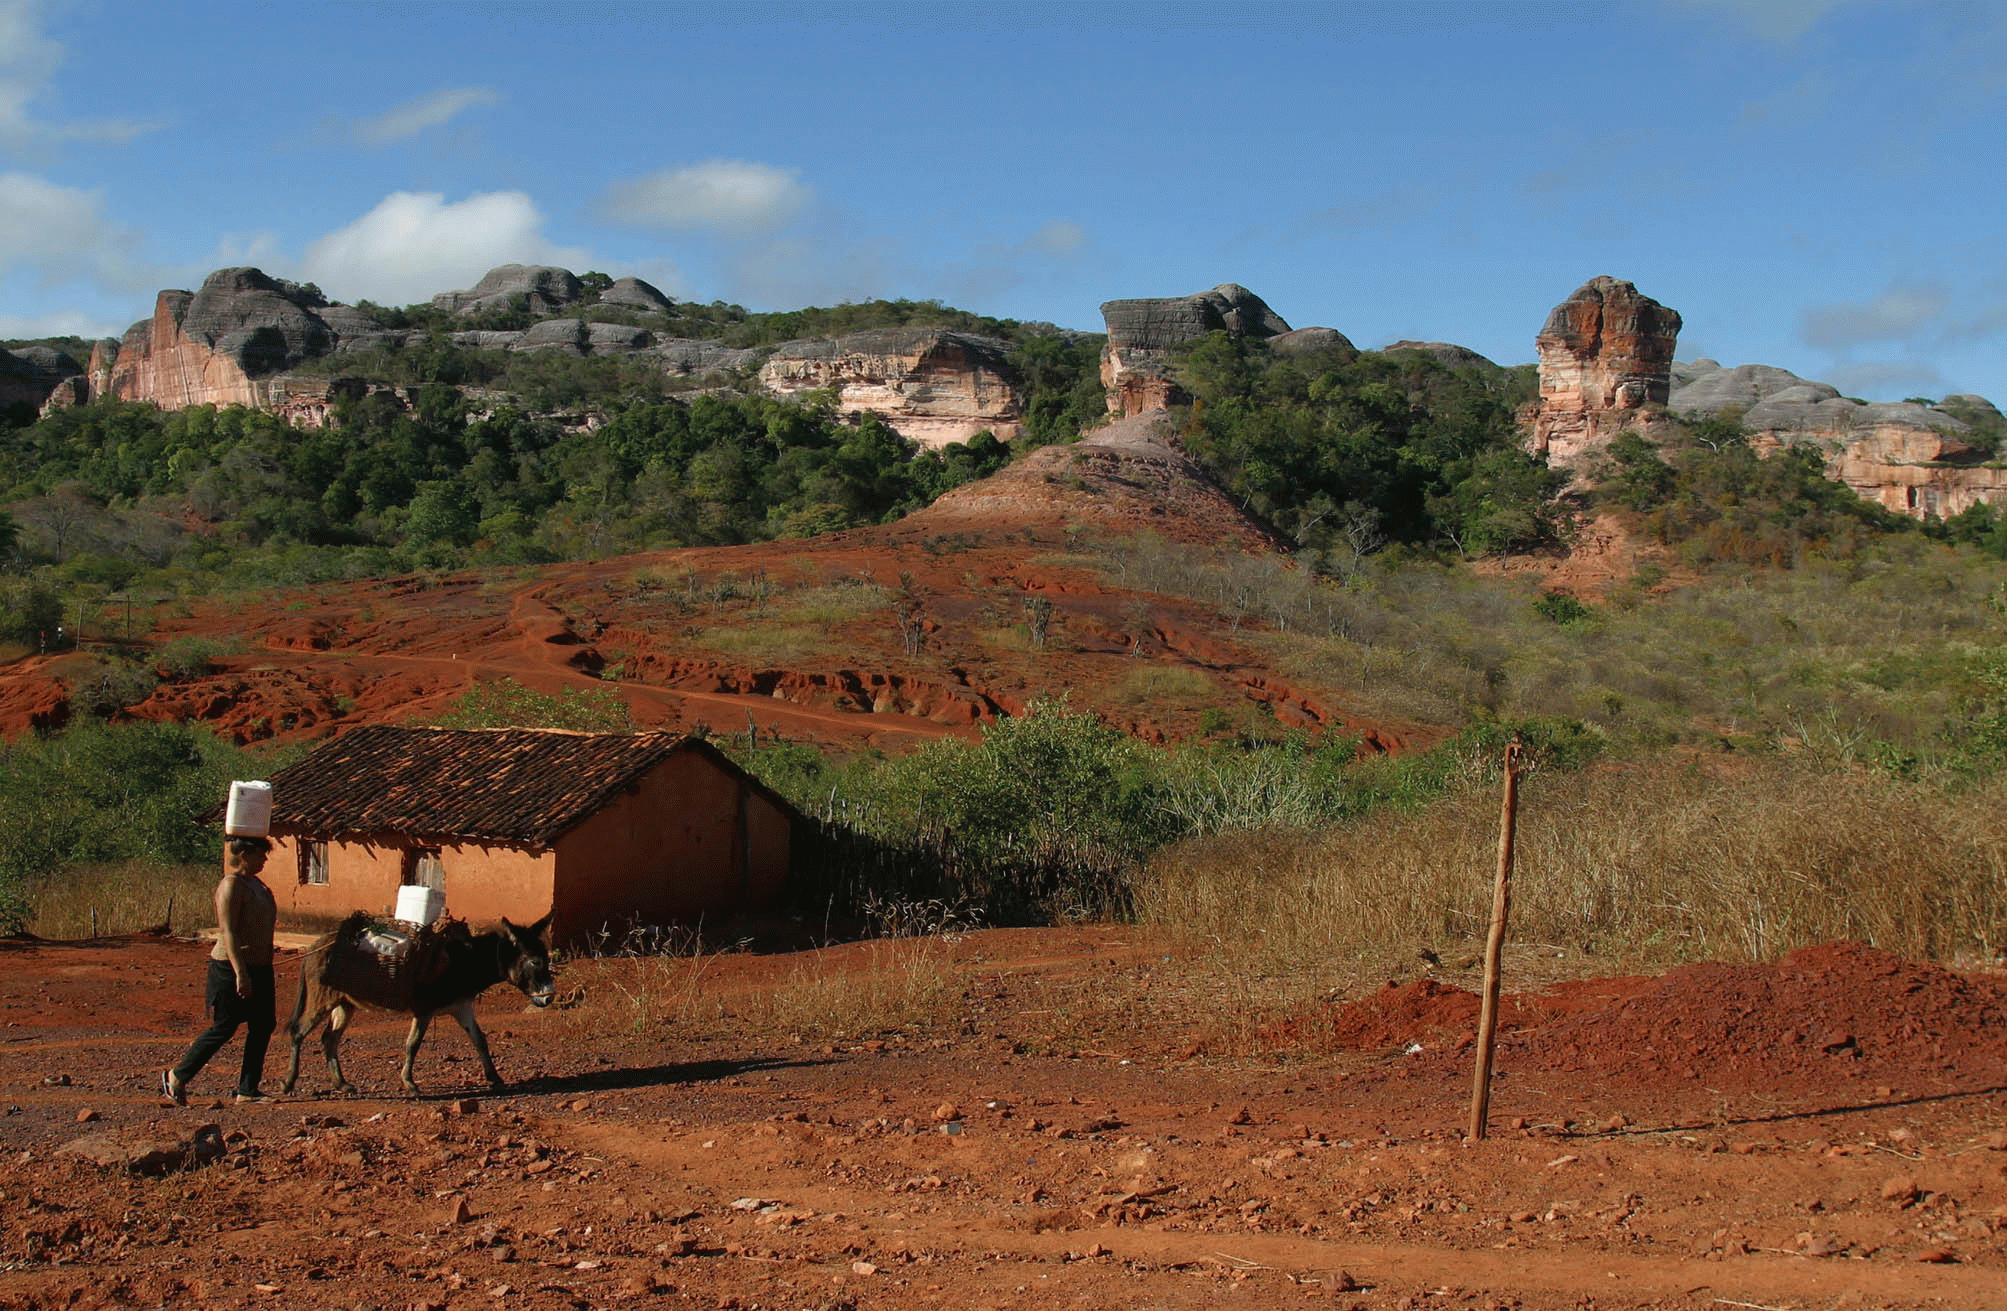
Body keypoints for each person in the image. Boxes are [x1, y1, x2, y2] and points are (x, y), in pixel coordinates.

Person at [162, 835, 278, 1106]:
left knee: (263, 1025)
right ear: (246, 854)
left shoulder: (258, 885)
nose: (264, 859)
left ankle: (247, 1090)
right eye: (260, 855)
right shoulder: (230, 885)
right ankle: (177, 1076)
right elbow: (228, 931)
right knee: (225, 1026)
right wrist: (241, 973)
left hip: (260, 967)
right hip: (231, 967)